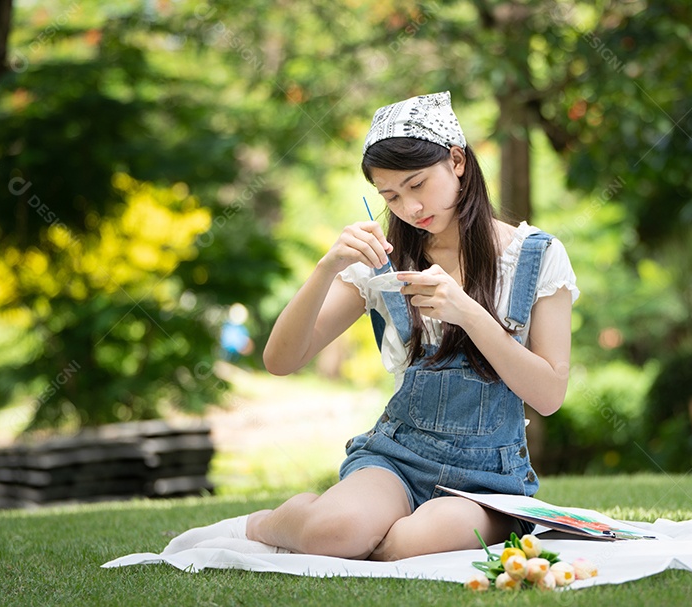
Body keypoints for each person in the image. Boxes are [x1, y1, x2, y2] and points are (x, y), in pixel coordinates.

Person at [163, 91, 577, 561]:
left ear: (457, 161)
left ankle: (362, 531)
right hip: (397, 458)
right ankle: (262, 525)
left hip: (489, 480)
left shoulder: (536, 256)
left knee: (412, 544)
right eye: (391, 196)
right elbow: (280, 361)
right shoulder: (381, 261)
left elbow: (549, 395)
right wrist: (327, 267)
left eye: (417, 184)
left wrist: (469, 313)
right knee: (333, 533)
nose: (410, 208)